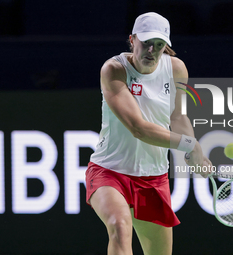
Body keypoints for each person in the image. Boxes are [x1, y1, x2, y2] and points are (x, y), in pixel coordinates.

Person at [86, 12, 212, 255]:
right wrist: (189, 144)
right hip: (110, 172)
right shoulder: (114, 70)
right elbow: (138, 128)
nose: (152, 51)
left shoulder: (176, 69)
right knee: (119, 226)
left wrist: (194, 155)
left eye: (159, 45)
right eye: (146, 43)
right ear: (132, 40)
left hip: (153, 178)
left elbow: (178, 117)